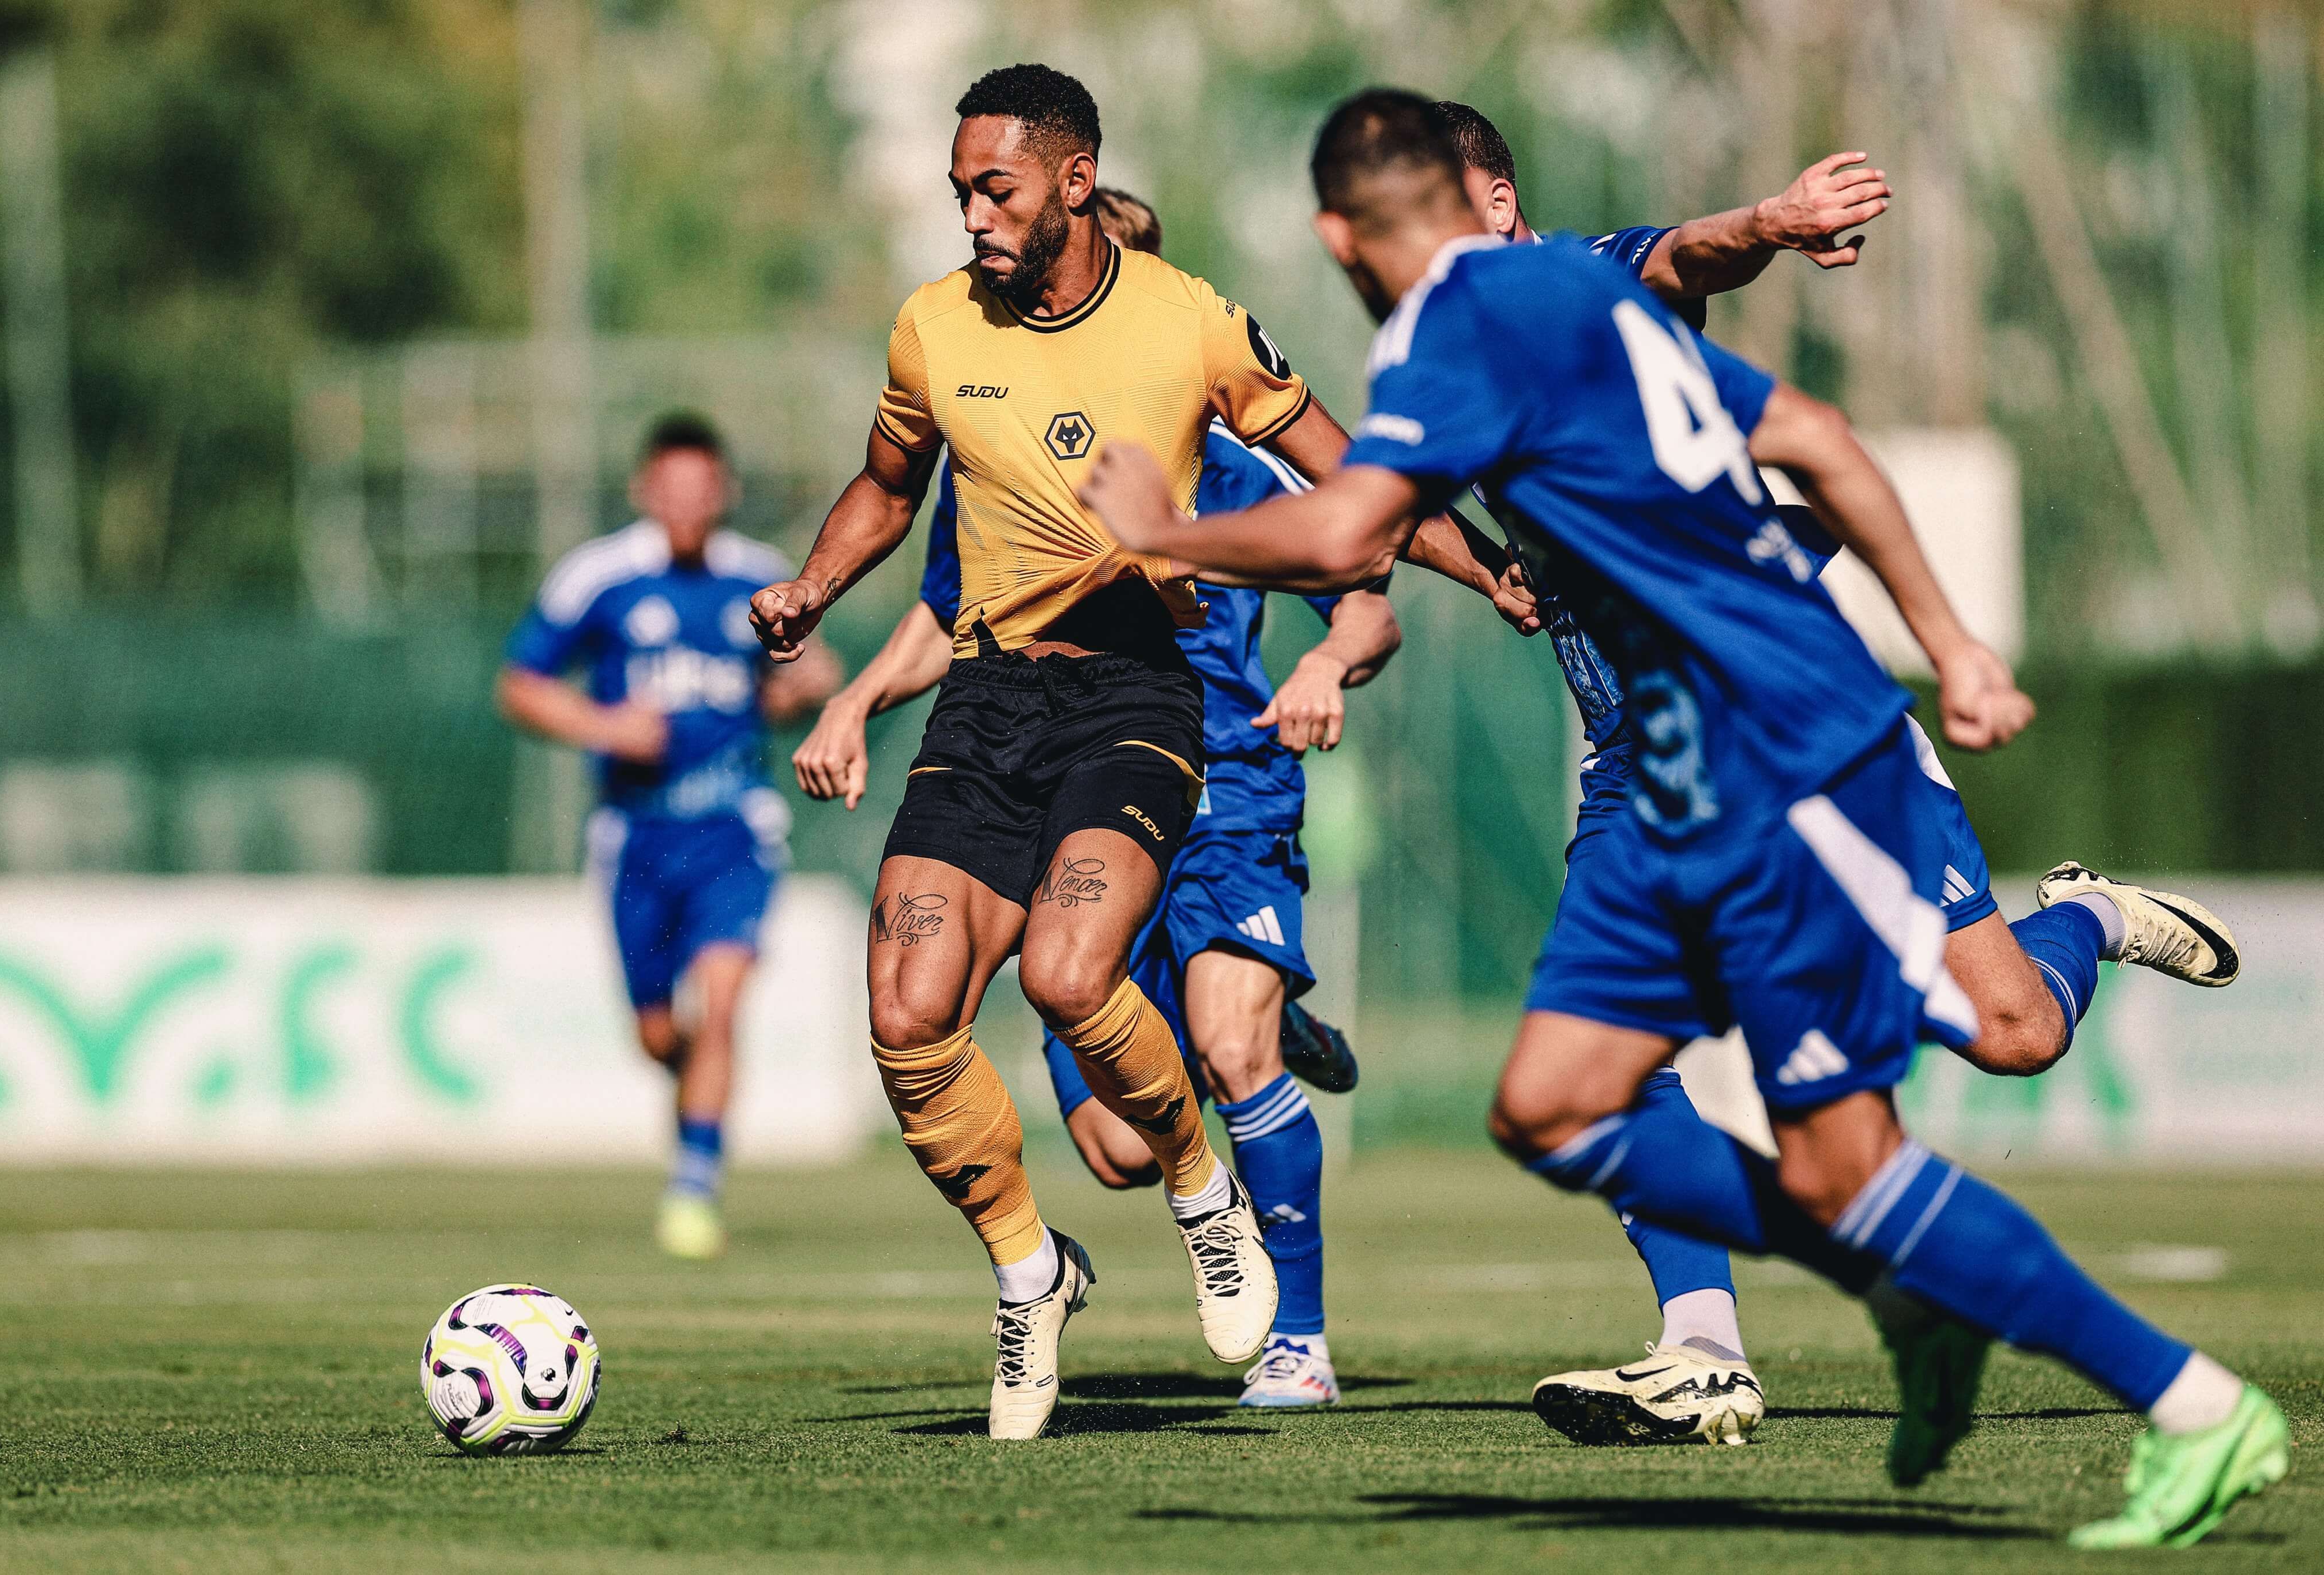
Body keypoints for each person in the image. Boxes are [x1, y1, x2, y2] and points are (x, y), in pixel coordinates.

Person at [1078, 89, 2284, 1548]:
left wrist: (1162, 530)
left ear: (1338, 234)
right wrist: (1947, 637)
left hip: (1787, 752)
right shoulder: (1564, 307)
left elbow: (1347, 527)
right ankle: (1749, 1331)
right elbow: (1816, 434)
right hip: (1662, 768)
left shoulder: (1478, 320)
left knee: (1958, 1073)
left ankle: (2171, 1380)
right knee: (1552, 1100)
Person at [1434, 100, 2244, 1449]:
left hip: (1805, 729)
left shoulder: (1581, 297)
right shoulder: (1446, 361)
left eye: (1432, 212)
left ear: (1505, 209)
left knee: (2014, 1035)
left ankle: (2084, 918)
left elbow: (1683, 262)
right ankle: (1701, 1349)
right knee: (1589, 1057)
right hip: (1640, 766)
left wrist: (1768, 220)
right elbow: (1368, 499)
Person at [750, 64, 1524, 1441]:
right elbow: (887, 493)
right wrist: (817, 599)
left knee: (1067, 973)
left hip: (1144, 703)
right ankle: (1027, 1273)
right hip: (988, 709)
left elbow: (1360, 493)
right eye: (957, 192)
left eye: (992, 188)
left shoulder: (1195, 328)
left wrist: (1489, 577)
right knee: (907, 1010)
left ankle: (1212, 1204)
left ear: (1070, 176)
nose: (971, 215)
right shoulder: (933, 330)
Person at [498, 413, 841, 1260]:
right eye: (673, 488)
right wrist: (605, 726)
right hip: (633, 835)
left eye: (704, 488)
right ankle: (695, 1102)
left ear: (724, 492)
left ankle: (695, 1185)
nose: (689, 503)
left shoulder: (758, 577)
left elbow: (819, 669)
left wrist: (791, 694)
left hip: (734, 827)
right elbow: (521, 685)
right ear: (645, 490)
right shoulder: (598, 578)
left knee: (721, 1003)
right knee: (661, 1034)